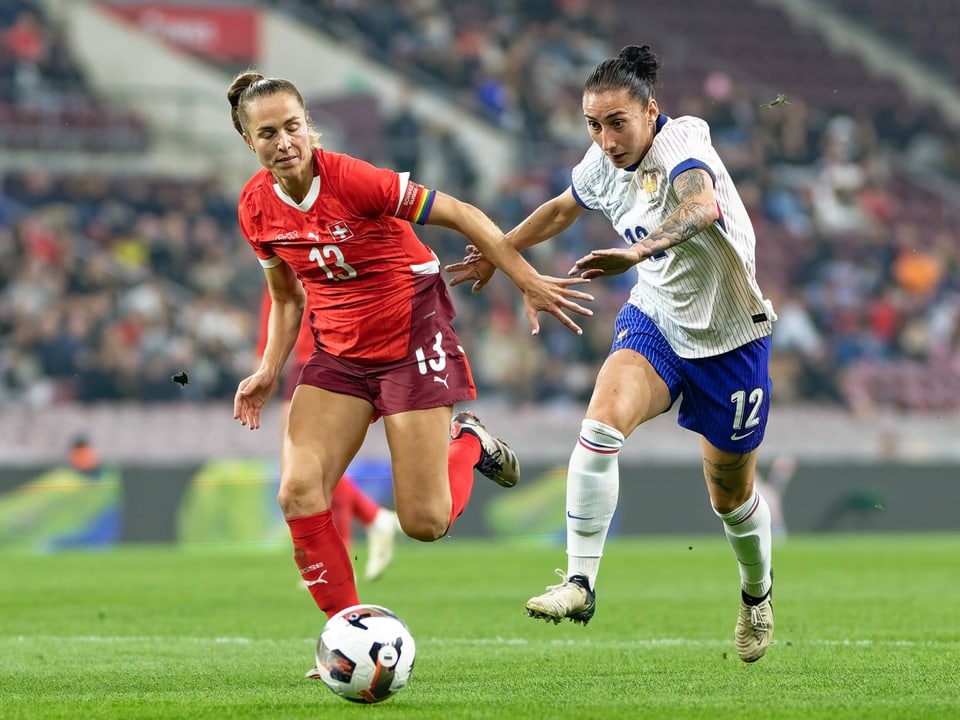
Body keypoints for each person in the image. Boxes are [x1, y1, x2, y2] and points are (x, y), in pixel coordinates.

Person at [225, 71, 592, 675]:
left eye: (294, 126)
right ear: (250, 142)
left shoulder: (355, 180)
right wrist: (268, 368)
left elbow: (464, 213)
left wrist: (523, 277)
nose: (285, 140)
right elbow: (287, 296)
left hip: (411, 340)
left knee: (425, 522)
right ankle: (347, 638)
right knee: (296, 491)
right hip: (339, 356)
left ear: (308, 123)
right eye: (269, 133)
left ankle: (469, 441)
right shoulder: (254, 207)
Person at [446, 45, 778, 663]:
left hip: (731, 337)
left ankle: (757, 593)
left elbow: (702, 206)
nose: (605, 138)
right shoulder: (603, 162)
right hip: (656, 320)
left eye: (617, 123)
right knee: (599, 425)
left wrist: (637, 251)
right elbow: (560, 210)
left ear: (651, 111)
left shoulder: (682, 146)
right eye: (593, 125)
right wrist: (499, 251)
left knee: (729, 495)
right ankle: (579, 583)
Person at [258, 289, 400, 582]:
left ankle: (337, 552)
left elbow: (282, 301)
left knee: (303, 468)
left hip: (318, 355)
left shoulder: (293, 249)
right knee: (305, 470)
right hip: (312, 355)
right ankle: (370, 522)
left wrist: (263, 361)